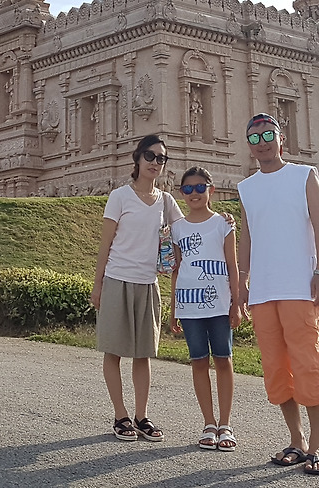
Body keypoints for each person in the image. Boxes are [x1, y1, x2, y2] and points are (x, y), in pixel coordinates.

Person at [237, 113, 319, 475]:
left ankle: (317, 442)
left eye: (268, 135)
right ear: (249, 146)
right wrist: (243, 281)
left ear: (281, 139)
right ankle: (296, 439)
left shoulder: (304, 175)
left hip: (298, 285)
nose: (261, 143)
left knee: (307, 363)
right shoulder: (247, 187)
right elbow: (247, 236)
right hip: (263, 290)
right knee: (276, 368)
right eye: (254, 138)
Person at [92, 134, 182, 442]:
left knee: (143, 354)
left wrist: (221, 220)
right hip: (117, 279)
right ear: (138, 158)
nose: (155, 163)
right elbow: (105, 244)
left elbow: (187, 230)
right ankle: (121, 415)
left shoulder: (166, 201)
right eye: (150, 156)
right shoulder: (120, 197)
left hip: (147, 282)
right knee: (114, 350)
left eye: (161, 158)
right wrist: (97, 285)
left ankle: (142, 416)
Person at [168, 166, 242, 451]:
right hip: (189, 304)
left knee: (223, 359)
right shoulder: (177, 228)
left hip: (220, 303)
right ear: (182, 193)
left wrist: (237, 303)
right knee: (198, 361)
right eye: (188, 189)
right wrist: (173, 309)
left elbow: (232, 265)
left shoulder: (223, 223)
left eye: (200, 187)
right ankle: (209, 423)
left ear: (211, 190)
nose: (194, 193)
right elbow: (176, 270)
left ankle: (226, 424)